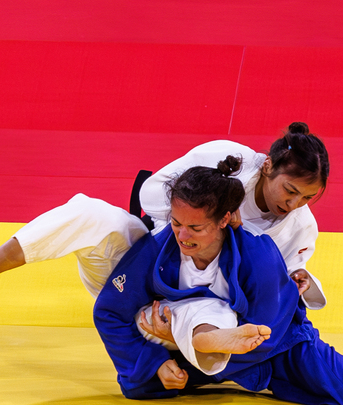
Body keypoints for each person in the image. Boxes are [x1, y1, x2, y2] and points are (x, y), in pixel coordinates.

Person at [0, 160, 343, 405]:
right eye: (177, 223)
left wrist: (176, 346)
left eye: (194, 228)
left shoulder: (261, 252)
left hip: (266, 351)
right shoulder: (159, 246)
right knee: (160, 315)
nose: (181, 235)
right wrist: (154, 363)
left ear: (226, 221)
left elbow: (272, 332)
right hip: (195, 348)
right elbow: (110, 313)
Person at [139, 122, 330, 309]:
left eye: (307, 197)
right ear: (268, 166)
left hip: (221, 298)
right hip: (166, 252)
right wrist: (208, 217)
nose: (294, 204)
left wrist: (298, 276)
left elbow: (280, 273)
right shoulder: (228, 158)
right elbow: (149, 195)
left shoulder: (302, 225)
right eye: (289, 190)